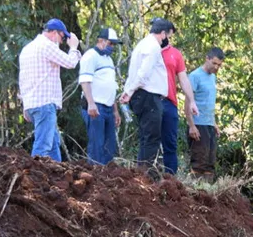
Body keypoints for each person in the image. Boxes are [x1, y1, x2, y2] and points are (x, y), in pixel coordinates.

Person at [18, 18, 81, 161]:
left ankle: (57, 177)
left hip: (33, 104)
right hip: (44, 104)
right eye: (62, 36)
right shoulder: (46, 45)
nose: (61, 41)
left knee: (53, 144)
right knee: (43, 146)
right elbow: (70, 63)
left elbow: (22, 79)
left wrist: (25, 105)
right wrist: (73, 47)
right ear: (54, 33)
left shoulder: (27, 49)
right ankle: (34, 180)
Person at [119, 18, 176, 169]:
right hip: (148, 96)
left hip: (141, 95)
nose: (168, 41)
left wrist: (128, 91)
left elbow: (134, 72)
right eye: (168, 37)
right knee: (151, 138)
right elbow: (143, 73)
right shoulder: (153, 47)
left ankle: (141, 173)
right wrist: (129, 91)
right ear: (163, 34)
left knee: (146, 136)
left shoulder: (143, 44)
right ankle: (145, 176)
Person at [157, 20, 199, 175]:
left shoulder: (175, 54)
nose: (168, 36)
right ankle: (146, 180)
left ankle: (170, 181)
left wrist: (192, 101)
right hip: (150, 101)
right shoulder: (146, 49)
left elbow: (183, 79)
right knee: (149, 141)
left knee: (170, 144)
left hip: (168, 102)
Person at [79, 27, 123, 165]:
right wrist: (91, 103)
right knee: (96, 145)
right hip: (96, 106)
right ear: (101, 41)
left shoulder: (108, 60)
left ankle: (107, 179)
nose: (112, 47)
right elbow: (85, 81)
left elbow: (111, 86)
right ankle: (95, 177)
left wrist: (116, 111)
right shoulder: (90, 56)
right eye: (110, 43)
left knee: (109, 146)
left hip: (108, 107)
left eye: (114, 44)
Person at [186, 47, 225, 181]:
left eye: (219, 65)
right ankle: (196, 192)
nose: (216, 67)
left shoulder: (213, 77)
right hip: (198, 124)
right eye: (214, 63)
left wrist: (214, 123)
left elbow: (209, 102)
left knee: (210, 163)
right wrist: (191, 125)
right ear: (207, 59)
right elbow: (188, 102)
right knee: (199, 162)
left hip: (208, 124)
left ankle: (208, 192)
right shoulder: (195, 76)